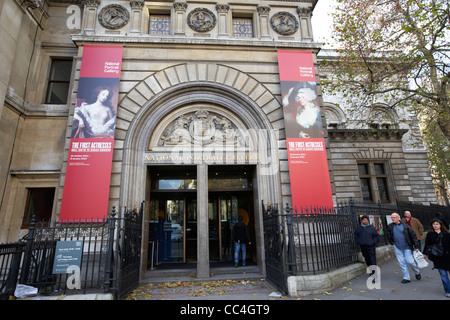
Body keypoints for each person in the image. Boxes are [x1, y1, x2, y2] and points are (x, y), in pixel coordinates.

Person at [387, 212, 422, 283]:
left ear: (398, 218)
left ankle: (417, 272)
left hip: (407, 247)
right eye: (392, 218)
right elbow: (389, 234)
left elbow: (413, 236)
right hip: (397, 246)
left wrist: (416, 246)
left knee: (410, 261)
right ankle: (406, 277)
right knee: (401, 262)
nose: (393, 219)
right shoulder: (390, 226)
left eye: (394, 217)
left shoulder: (405, 226)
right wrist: (392, 242)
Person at [423, 218, 450, 297]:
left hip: (448, 257)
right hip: (438, 258)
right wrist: (425, 254)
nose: (435, 226)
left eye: (437, 224)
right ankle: (448, 291)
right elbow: (427, 245)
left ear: (440, 225)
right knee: (443, 275)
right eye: (434, 224)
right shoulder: (430, 234)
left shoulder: (446, 234)